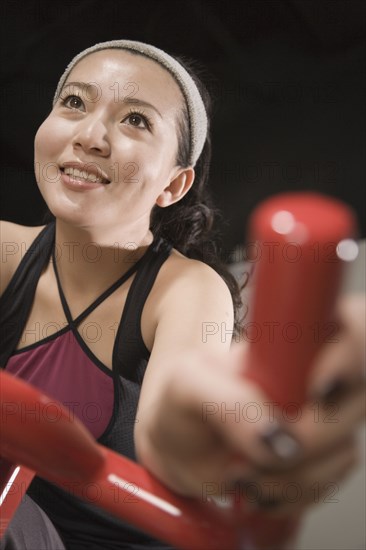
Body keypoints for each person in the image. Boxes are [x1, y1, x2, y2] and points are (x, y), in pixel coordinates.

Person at [0, 39, 364, 550]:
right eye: (75, 103)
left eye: (136, 120)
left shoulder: (185, 289)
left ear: (174, 184)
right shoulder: (4, 249)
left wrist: (211, 435)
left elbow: (173, 421)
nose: (90, 136)